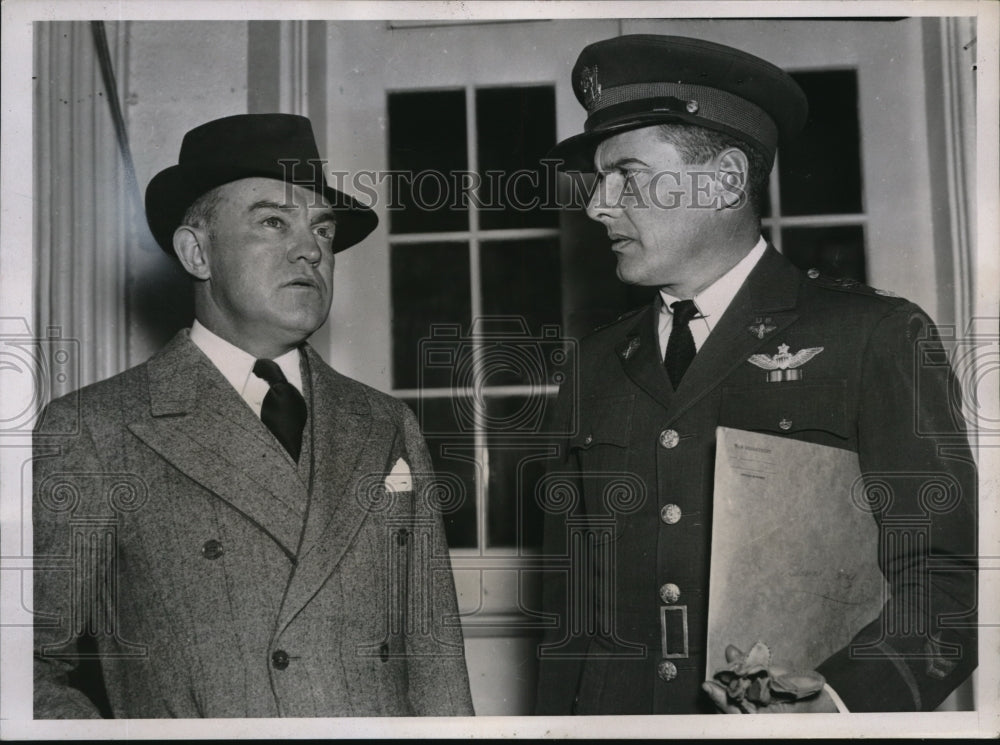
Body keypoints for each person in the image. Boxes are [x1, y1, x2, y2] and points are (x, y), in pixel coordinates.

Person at [535, 35, 977, 715]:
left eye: (626, 174)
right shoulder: (595, 364)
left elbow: (947, 585)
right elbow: (572, 616)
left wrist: (836, 699)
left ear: (727, 179)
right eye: (599, 181)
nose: (597, 205)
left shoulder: (871, 336)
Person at [33, 113, 474, 718]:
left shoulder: (385, 423)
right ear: (197, 251)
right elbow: (26, 669)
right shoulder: (97, 428)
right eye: (273, 222)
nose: (311, 249)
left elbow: (436, 662)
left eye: (323, 229)